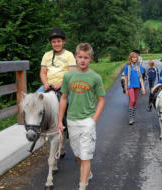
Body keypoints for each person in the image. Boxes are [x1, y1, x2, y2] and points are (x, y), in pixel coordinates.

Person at [57, 43, 105, 190]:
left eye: (86, 57)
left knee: (85, 156)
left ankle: (82, 185)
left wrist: (94, 120)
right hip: (71, 121)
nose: (83, 60)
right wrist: (60, 121)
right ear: (76, 57)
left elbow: (101, 100)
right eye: (80, 57)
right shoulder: (68, 76)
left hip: (87, 121)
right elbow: (64, 98)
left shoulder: (95, 77)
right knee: (78, 155)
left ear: (90, 58)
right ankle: (87, 172)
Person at [37, 28, 76, 93]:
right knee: (35, 98)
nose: (56, 44)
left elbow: (71, 74)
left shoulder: (69, 55)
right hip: (49, 85)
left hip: (64, 85)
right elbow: (43, 73)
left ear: (63, 42)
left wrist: (60, 84)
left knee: (70, 100)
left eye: (58, 41)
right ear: (51, 43)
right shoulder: (46, 55)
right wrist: (45, 83)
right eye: (54, 42)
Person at [124, 52, 145, 125]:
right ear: (130, 58)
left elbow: (141, 78)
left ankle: (132, 116)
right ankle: (130, 118)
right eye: (133, 57)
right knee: (132, 100)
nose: (134, 59)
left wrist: (143, 88)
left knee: (135, 102)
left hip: (137, 86)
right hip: (130, 86)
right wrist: (125, 89)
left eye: (136, 57)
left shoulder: (139, 66)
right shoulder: (127, 66)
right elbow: (125, 78)